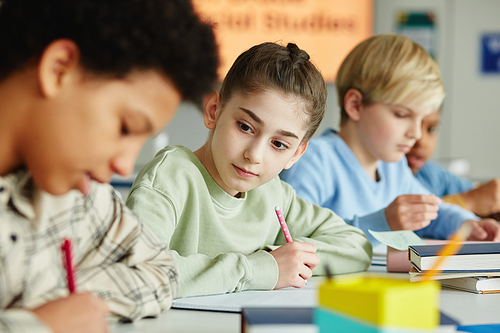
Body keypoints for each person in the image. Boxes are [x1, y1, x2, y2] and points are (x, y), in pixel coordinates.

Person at [0, 0, 218, 332]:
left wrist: (77, 306)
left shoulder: (79, 194)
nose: (124, 164)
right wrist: (36, 324)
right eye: (125, 128)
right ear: (58, 69)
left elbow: (161, 271)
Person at [126, 42, 372, 298]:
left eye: (279, 144)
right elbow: (137, 273)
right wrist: (261, 268)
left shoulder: (273, 193)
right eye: (245, 127)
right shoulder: (170, 176)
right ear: (214, 111)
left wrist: (280, 259)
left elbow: (356, 246)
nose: (254, 155)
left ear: (296, 154)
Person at [280, 34, 500, 247]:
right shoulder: (314, 161)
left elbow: (434, 210)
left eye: (422, 119)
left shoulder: (394, 167)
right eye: (402, 115)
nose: (416, 134)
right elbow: (292, 240)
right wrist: (383, 223)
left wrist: (468, 225)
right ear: (355, 105)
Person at [406, 109, 500, 219]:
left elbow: (479, 193)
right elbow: (398, 219)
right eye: (407, 124)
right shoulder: (386, 171)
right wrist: (466, 202)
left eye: (431, 129)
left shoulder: (428, 172)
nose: (421, 141)